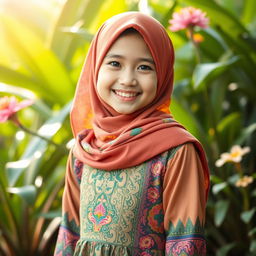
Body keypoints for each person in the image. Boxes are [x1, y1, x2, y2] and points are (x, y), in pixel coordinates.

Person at [54, 12, 210, 256]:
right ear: (95, 67)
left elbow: (185, 244)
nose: (128, 80)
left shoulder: (176, 151)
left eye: (144, 67)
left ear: (164, 73)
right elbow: (68, 236)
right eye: (115, 63)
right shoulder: (84, 150)